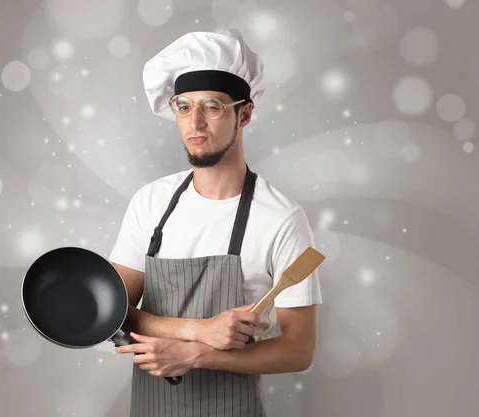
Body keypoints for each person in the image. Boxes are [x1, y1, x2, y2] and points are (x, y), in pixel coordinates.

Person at [110, 29, 322, 417]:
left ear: (245, 113)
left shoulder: (280, 218)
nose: (196, 123)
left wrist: (195, 356)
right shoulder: (151, 203)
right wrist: (197, 330)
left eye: (212, 106)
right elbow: (111, 309)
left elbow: (299, 350)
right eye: (183, 106)